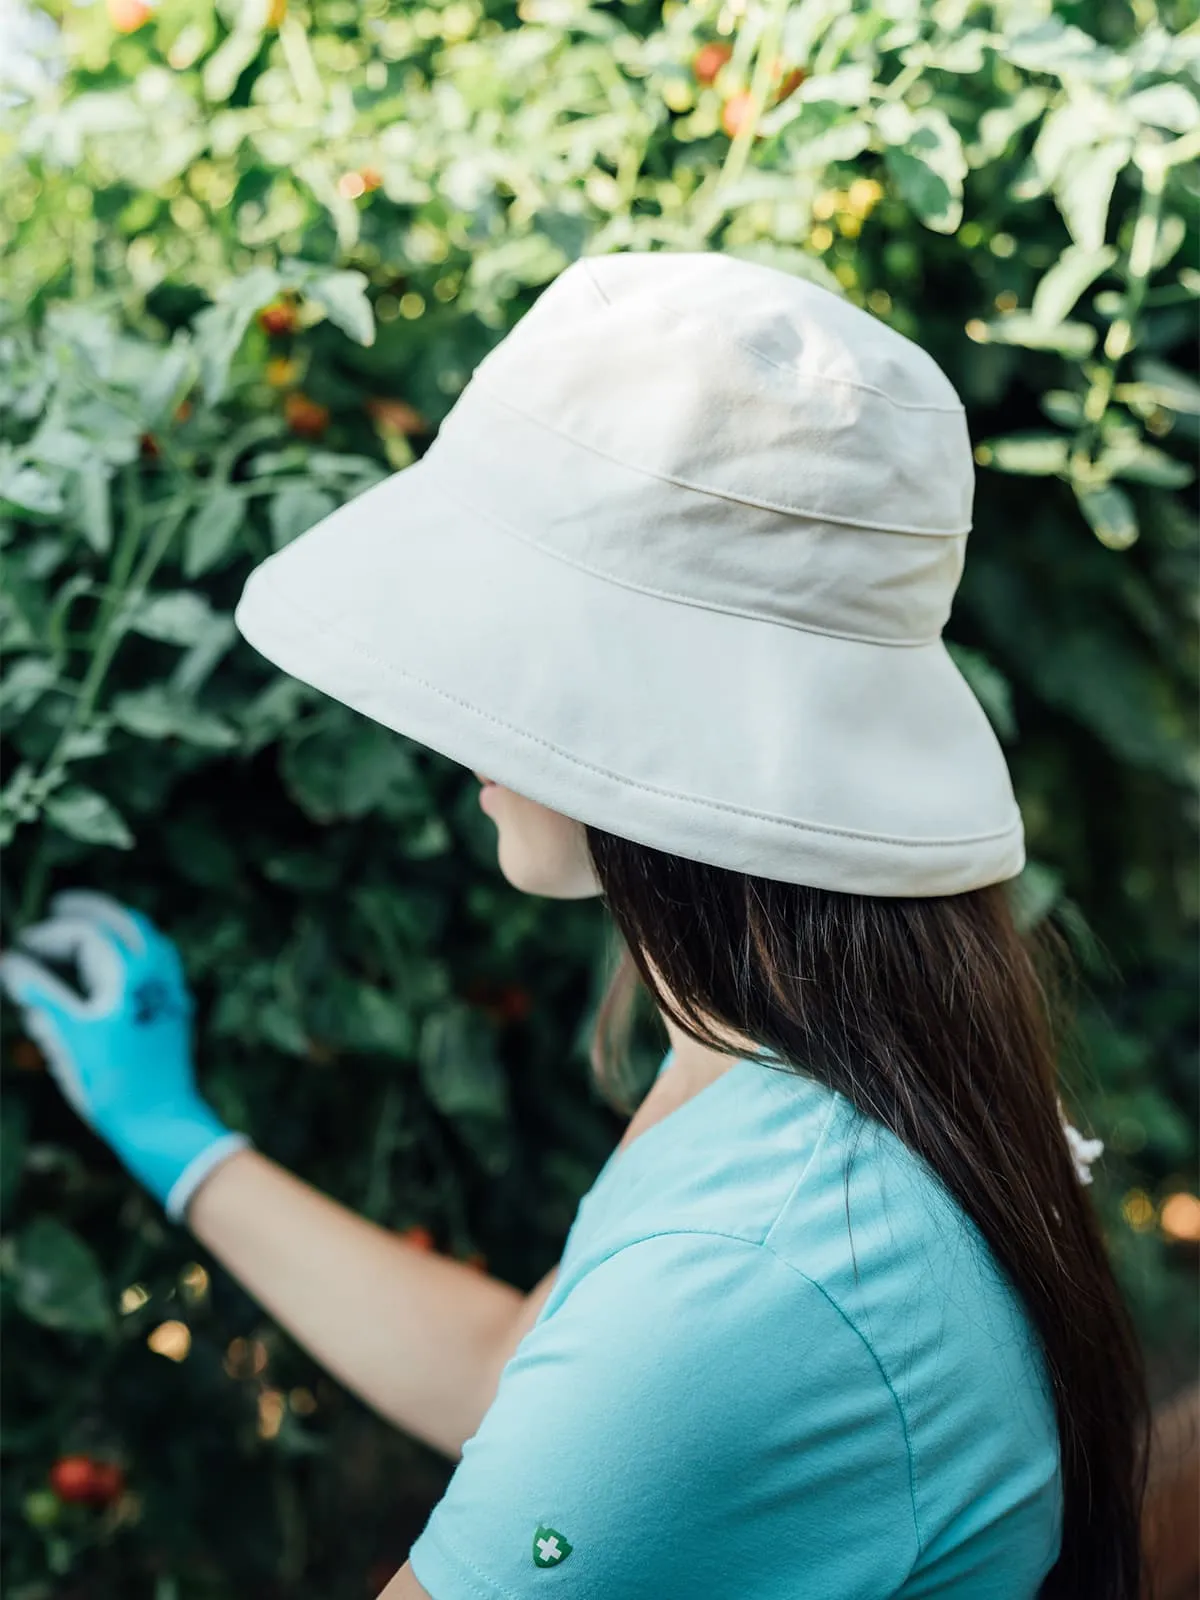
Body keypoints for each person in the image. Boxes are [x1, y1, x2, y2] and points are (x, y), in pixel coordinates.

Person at [0, 251, 1148, 1599]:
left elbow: (658, 1363)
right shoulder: (784, 1060)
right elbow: (524, 1374)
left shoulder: (752, 1274)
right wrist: (177, 1138)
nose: (460, 705)